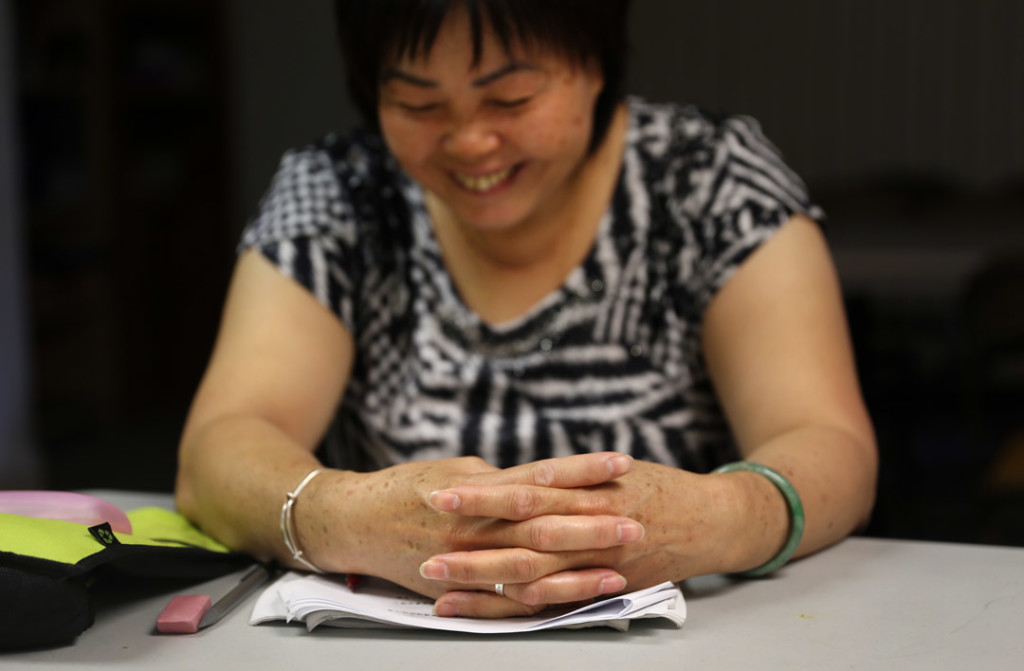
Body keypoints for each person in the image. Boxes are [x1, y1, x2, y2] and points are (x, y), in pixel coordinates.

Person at [175, 0, 877, 619]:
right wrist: (345, 515)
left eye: (510, 99)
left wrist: (710, 519)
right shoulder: (338, 193)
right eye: (419, 105)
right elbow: (219, 449)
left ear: (596, 64)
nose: (471, 143)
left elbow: (828, 441)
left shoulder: (713, 180)